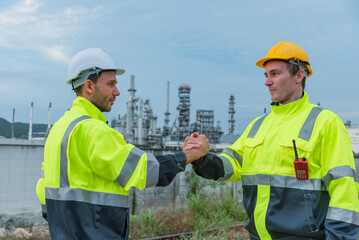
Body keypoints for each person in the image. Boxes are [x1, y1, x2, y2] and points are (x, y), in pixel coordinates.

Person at [184, 41, 359, 239]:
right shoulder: (257, 126)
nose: (267, 82)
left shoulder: (326, 123)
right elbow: (231, 164)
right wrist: (202, 157)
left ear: (299, 76)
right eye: (266, 75)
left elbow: (344, 190)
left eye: (275, 74)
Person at [36, 48, 210, 240]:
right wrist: (189, 154)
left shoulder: (59, 129)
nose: (117, 92)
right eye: (110, 84)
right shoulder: (94, 131)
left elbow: (44, 190)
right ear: (89, 86)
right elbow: (145, 170)